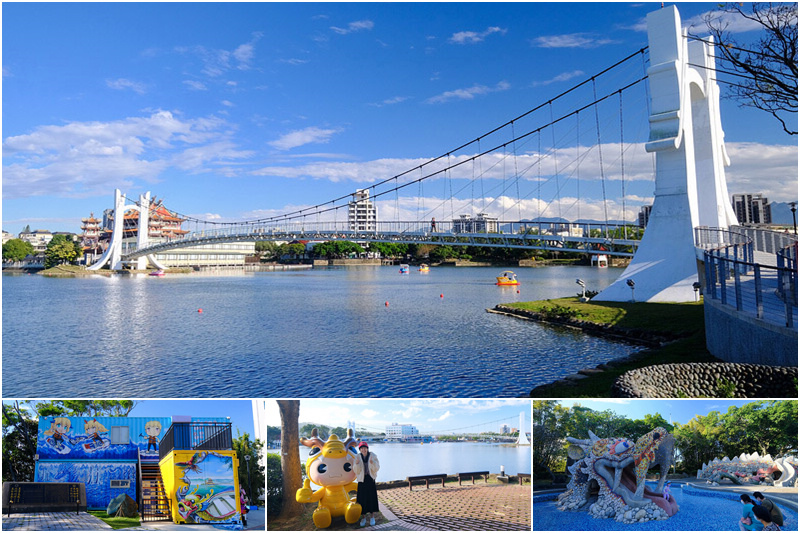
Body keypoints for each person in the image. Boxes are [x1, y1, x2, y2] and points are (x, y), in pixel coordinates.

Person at [356, 441, 380, 527]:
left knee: (371, 498)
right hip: (362, 480)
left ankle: (372, 517)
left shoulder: (373, 455)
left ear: (367, 448)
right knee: (362, 499)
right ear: (360, 449)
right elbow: (356, 470)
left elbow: (377, 468)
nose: (363, 450)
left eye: (364, 448)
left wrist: (372, 462)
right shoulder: (357, 457)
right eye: (361, 448)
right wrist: (357, 464)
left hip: (370, 479)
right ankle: (363, 517)